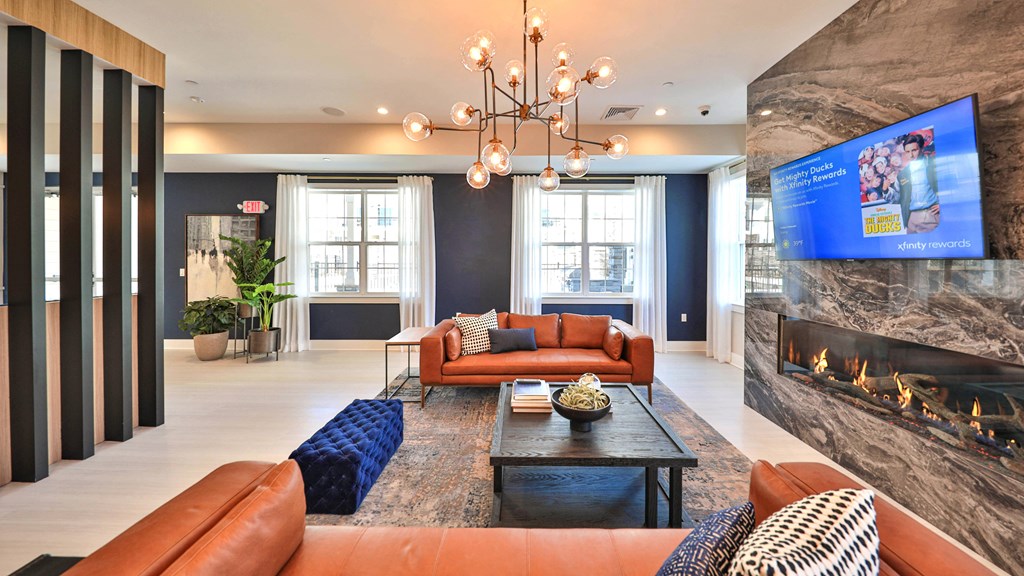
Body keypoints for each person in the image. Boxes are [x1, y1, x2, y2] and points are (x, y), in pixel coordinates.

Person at [897, 133, 940, 233]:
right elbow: (901, 197)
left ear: (921, 148)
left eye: (914, 150)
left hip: (930, 215)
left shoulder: (934, 164)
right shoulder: (903, 174)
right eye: (907, 152)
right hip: (911, 219)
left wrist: (945, 203)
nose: (911, 155)